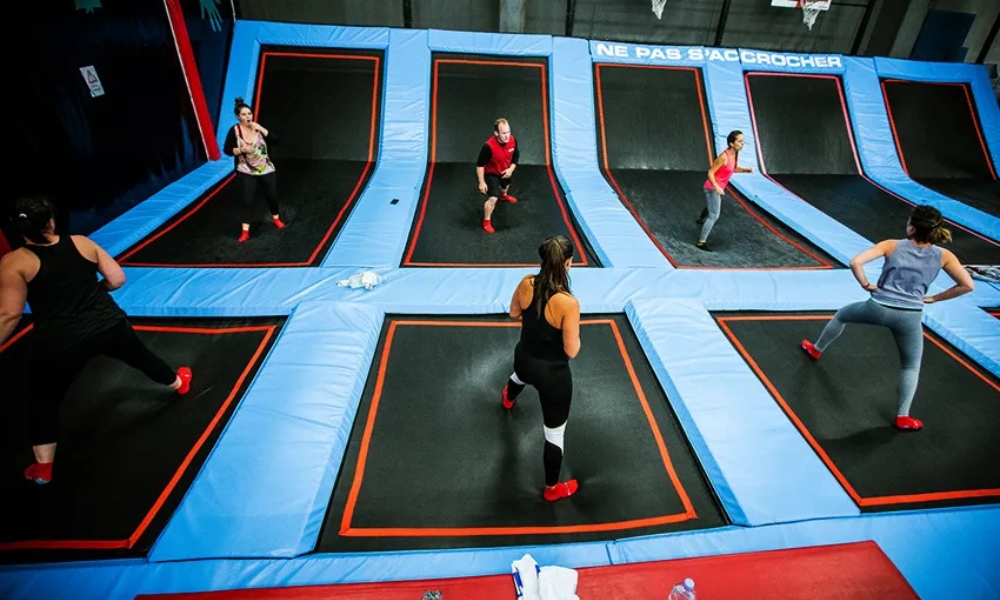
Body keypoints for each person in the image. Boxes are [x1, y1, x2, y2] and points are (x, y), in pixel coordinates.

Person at [0, 197, 193, 485]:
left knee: (42, 401)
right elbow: (117, 279)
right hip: (108, 324)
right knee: (142, 357)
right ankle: (179, 384)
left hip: (60, 340)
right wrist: (93, 293)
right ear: (51, 221)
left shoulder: (15, 262)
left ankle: (44, 468)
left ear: (18, 228)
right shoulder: (81, 243)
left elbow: (10, 314)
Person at [800, 206, 974, 431]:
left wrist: (865, 285)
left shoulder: (891, 245)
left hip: (878, 307)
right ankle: (903, 416)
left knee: (842, 315)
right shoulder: (944, 256)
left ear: (911, 227)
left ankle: (816, 349)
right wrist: (934, 298)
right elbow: (967, 285)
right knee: (910, 366)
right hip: (910, 316)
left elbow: (856, 262)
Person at [501, 235, 581, 501]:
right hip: (553, 376)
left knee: (519, 376)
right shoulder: (568, 303)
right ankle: (552, 490)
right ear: (568, 264)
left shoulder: (526, 282)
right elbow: (572, 351)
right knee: (554, 434)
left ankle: (508, 398)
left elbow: (513, 313)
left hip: (524, 358)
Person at [223, 97, 284, 243]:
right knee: (247, 200)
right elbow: (227, 150)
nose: (247, 117)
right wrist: (241, 149)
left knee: (272, 196)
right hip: (246, 170)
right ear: (238, 117)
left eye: (249, 114)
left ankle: (276, 218)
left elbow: (276, 141)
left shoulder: (258, 128)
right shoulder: (235, 131)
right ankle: (245, 231)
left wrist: (262, 128)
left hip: (266, 168)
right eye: (244, 115)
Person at [696, 130, 752, 251]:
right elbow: (710, 172)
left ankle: (700, 220)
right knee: (714, 215)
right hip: (712, 188)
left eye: (743, 141)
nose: (742, 144)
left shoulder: (735, 154)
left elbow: (731, 169)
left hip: (715, 188)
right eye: (740, 141)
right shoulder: (723, 157)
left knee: (711, 206)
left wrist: (745, 170)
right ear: (732, 143)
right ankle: (701, 242)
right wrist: (716, 187)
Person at [476, 118, 520, 234]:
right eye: (504, 133)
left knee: (505, 186)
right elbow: (480, 165)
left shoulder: (513, 140)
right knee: (493, 198)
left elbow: (516, 157)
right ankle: (486, 221)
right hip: (492, 174)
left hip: (506, 171)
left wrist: (510, 169)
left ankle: (504, 195)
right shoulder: (488, 147)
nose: (507, 136)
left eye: (508, 132)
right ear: (496, 133)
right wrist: (482, 182)